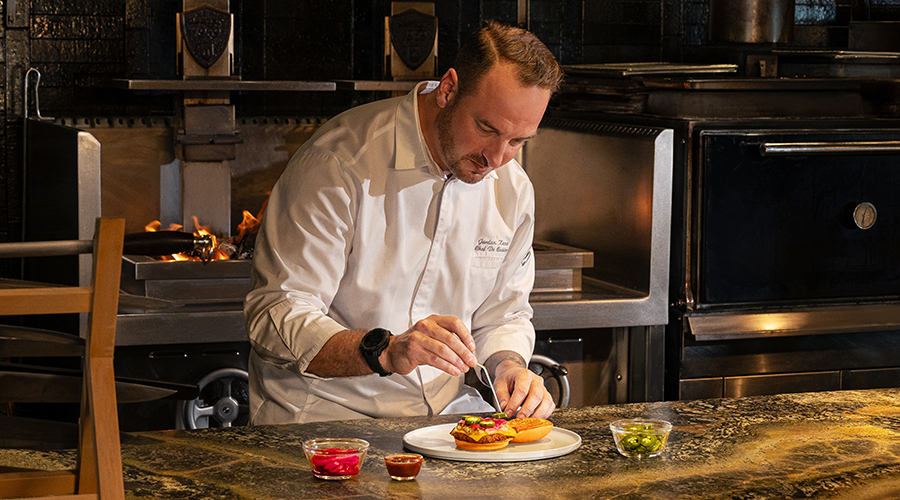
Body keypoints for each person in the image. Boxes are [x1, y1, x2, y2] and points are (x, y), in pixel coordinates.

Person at [244, 20, 564, 425]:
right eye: (487, 129)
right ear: (448, 89)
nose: (496, 159)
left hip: (444, 423)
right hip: (325, 421)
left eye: (518, 141)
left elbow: (503, 315)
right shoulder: (338, 163)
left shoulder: (512, 188)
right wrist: (386, 351)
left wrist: (508, 367)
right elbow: (276, 312)